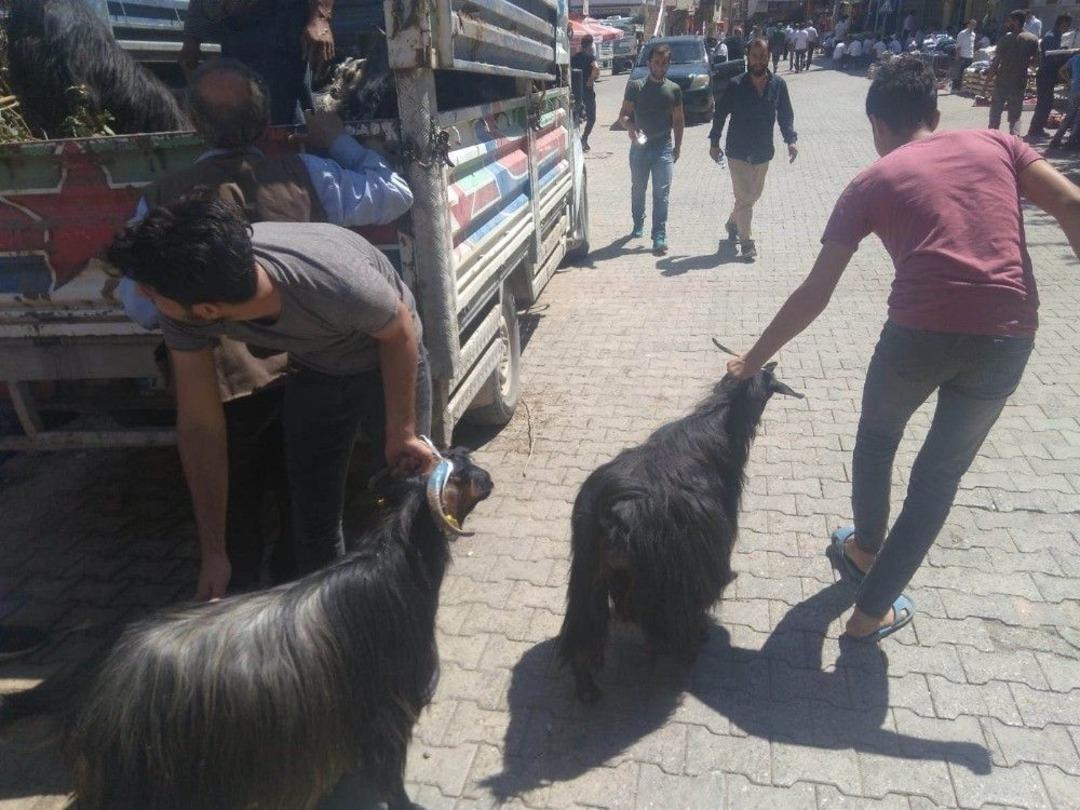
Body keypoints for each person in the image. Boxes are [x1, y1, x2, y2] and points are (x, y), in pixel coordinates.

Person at [726, 57, 1080, 643]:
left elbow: (815, 292)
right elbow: (1070, 205)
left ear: (874, 124)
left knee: (876, 436)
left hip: (914, 335)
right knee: (937, 478)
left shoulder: (870, 181)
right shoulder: (1001, 144)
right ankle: (870, 615)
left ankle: (866, 548)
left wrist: (753, 360)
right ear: (937, 115)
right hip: (1006, 335)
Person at [117, 60, 414, 596]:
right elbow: (395, 193)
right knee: (308, 517)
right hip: (304, 376)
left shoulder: (162, 200)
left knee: (240, 524)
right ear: (265, 123)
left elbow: (138, 307)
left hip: (227, 387)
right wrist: (337, 139)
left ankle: (250, 618)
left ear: (192, 122)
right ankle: (300, 613)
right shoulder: (308, 173)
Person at [111, 200, 438, 601]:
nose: (147, 297)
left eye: (152, 292)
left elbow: (399, 331)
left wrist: (401, 432)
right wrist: (215, 553)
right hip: (316, 365)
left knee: (405, 501)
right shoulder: (183, 311)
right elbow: (200, 426)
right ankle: (329, 625)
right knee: (312, 517)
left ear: (210, 310)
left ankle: (411, 619)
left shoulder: (336, 283)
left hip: (386, 354)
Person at [708, 38, 798, 260]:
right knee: (745, 196)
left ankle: (732, 222)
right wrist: (714, 142)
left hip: (763, 151)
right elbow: (720, 114)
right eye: (755, 56)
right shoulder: (736, 84)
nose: (759, 61)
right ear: (748, 57)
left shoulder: (778, 84)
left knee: (752, 196)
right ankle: (747, 242)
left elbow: (785, 115)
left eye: (763, 56)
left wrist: (791, 140)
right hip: (737, 151)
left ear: (768, 57)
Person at [179, 0, 334, 125]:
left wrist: (320, 17)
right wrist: (192, 38)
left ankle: (297, 156)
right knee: (240, 111)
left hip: (281, 25)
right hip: (235, 31)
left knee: (284, 115)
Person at [619, 43, 684, 256]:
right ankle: (638, 220)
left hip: (663, 147)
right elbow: (624, 116)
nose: (660, 67)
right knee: (638, 189)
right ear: (649, 63)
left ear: (668, 65)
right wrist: (631, 127)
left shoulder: (674, 89)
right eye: (656, 63)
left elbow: (678, 119)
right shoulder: (636, 86)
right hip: (640, 148)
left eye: (664, 64)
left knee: (661, 193)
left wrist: (678, 146)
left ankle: (659, 235)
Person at [989, 10, 1039, 135]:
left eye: (1010, 21)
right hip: (1019, 82)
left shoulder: (1005, 39)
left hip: (1002, 82)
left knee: (995, 113)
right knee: (1015, 116)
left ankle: (992, 138)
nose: (1007, 23)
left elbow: (996, 62)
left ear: (1016, 21)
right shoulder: (1032, 39)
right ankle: (1014, 140)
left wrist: (988, 80)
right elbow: (1036, 63)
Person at [1027, 14, 1074, 138]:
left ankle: (1037, 128)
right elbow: (1052, 57)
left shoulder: (1059, 36)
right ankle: (1035, 129)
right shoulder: (1051, 37)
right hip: (1046, 73)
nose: (1067, 28)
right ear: (1062, 22)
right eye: (1067, 25)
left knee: (1047, 103)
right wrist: (1069, 55)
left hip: (1051, 74)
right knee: (1044, 103)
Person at [571, 35, 599, 152]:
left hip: (576, 92)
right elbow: (596, 68)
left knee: (576, 118)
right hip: (587, 92)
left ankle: (576, 141)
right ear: (590, 44)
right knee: (591, 118)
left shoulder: (574, 58)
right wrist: (591, 80)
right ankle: (584, 139)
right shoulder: (590, 57)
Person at [1049, 49, 1080, 148]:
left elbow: (1062, 70)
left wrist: (1069, 80)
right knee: (1078, 118)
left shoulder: (1075, 58)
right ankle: (1072, 141)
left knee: (1069, 116)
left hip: (1074, 89)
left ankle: (1056, 139)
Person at [954, 19, 978, 91]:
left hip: (970, 56)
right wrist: (957, 56)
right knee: (960, 73)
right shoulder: (962, 33)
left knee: (967, 73)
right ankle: (956, 88)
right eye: (971, 24)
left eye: (974, 25)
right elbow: (958, 46)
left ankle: (964, 88)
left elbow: (972, 45)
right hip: (962, 56)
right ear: (968, 25)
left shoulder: (973, 34)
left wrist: (973, 55)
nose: (973, 26)